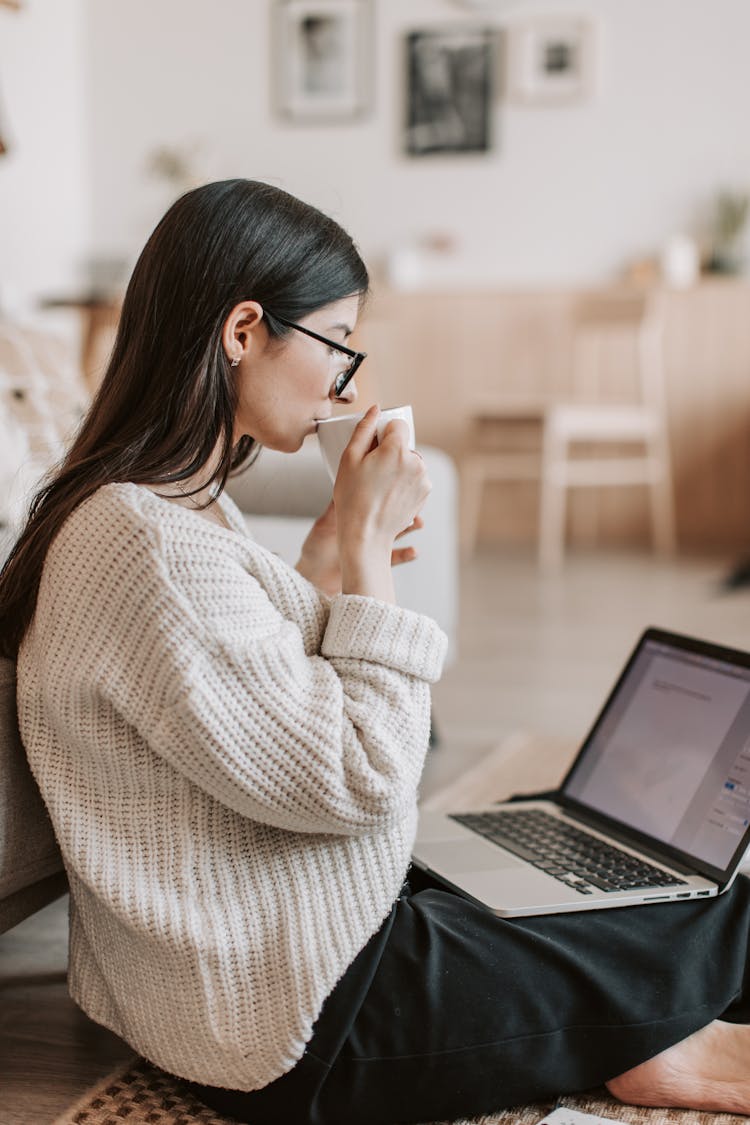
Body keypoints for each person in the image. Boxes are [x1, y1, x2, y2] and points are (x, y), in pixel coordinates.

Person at [2, 179, 750, 1124]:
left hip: (267, 958)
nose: (348, 381)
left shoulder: (149, 509)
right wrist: (366, 558)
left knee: (570, 875)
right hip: (304, 1017)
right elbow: (361, 776)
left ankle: (642, 1029)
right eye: (338, 342)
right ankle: (661, 1039)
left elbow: (252, 708)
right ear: (243, 332)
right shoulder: (145, 541)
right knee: (718, 912)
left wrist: (321, 556)